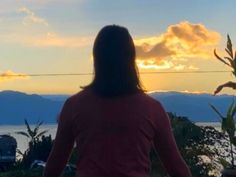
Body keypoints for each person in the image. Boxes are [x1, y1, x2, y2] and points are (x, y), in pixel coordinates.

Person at [42, 25, 192, 177]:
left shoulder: (74, 106)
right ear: (131, 59)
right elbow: (177, 169)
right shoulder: (152, 109)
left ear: (97, 59)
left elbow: (53, 168)